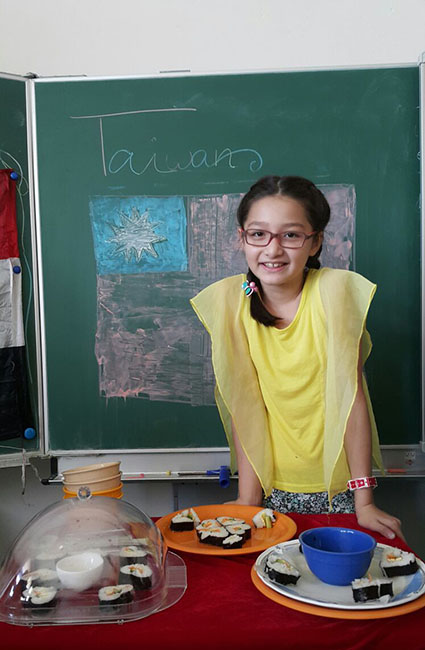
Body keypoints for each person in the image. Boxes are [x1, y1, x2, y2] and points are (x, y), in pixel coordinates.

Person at [191, 175, 403, 540]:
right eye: (259, 234)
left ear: (315, 241)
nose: (273, 250)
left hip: (338, 490)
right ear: (242, 238)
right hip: (272, 489)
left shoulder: (333, 293)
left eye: (290, 235)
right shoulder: (230, 302)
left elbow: (351, 400)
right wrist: (248, 498)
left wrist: (364, 502)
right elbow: (245, 406)